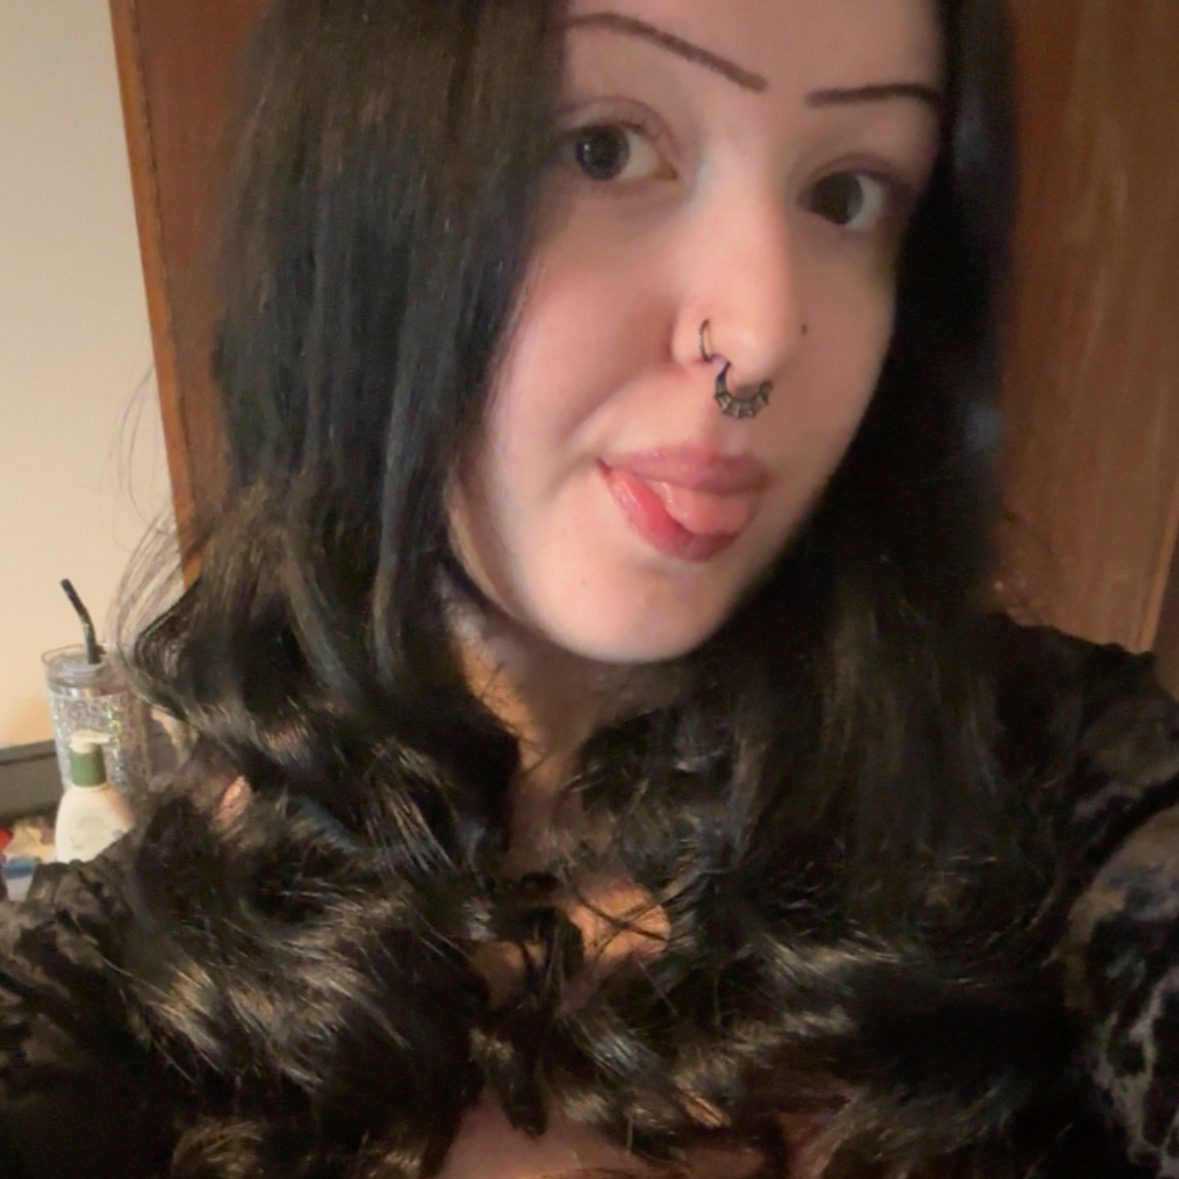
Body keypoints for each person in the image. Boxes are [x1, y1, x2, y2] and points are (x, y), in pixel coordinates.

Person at [1, 0, 1176, 1176]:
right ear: (359, 193)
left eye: (845, 193)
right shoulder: (139, 965)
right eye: (604, 149)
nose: (762, 334)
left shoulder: (1059, 800)